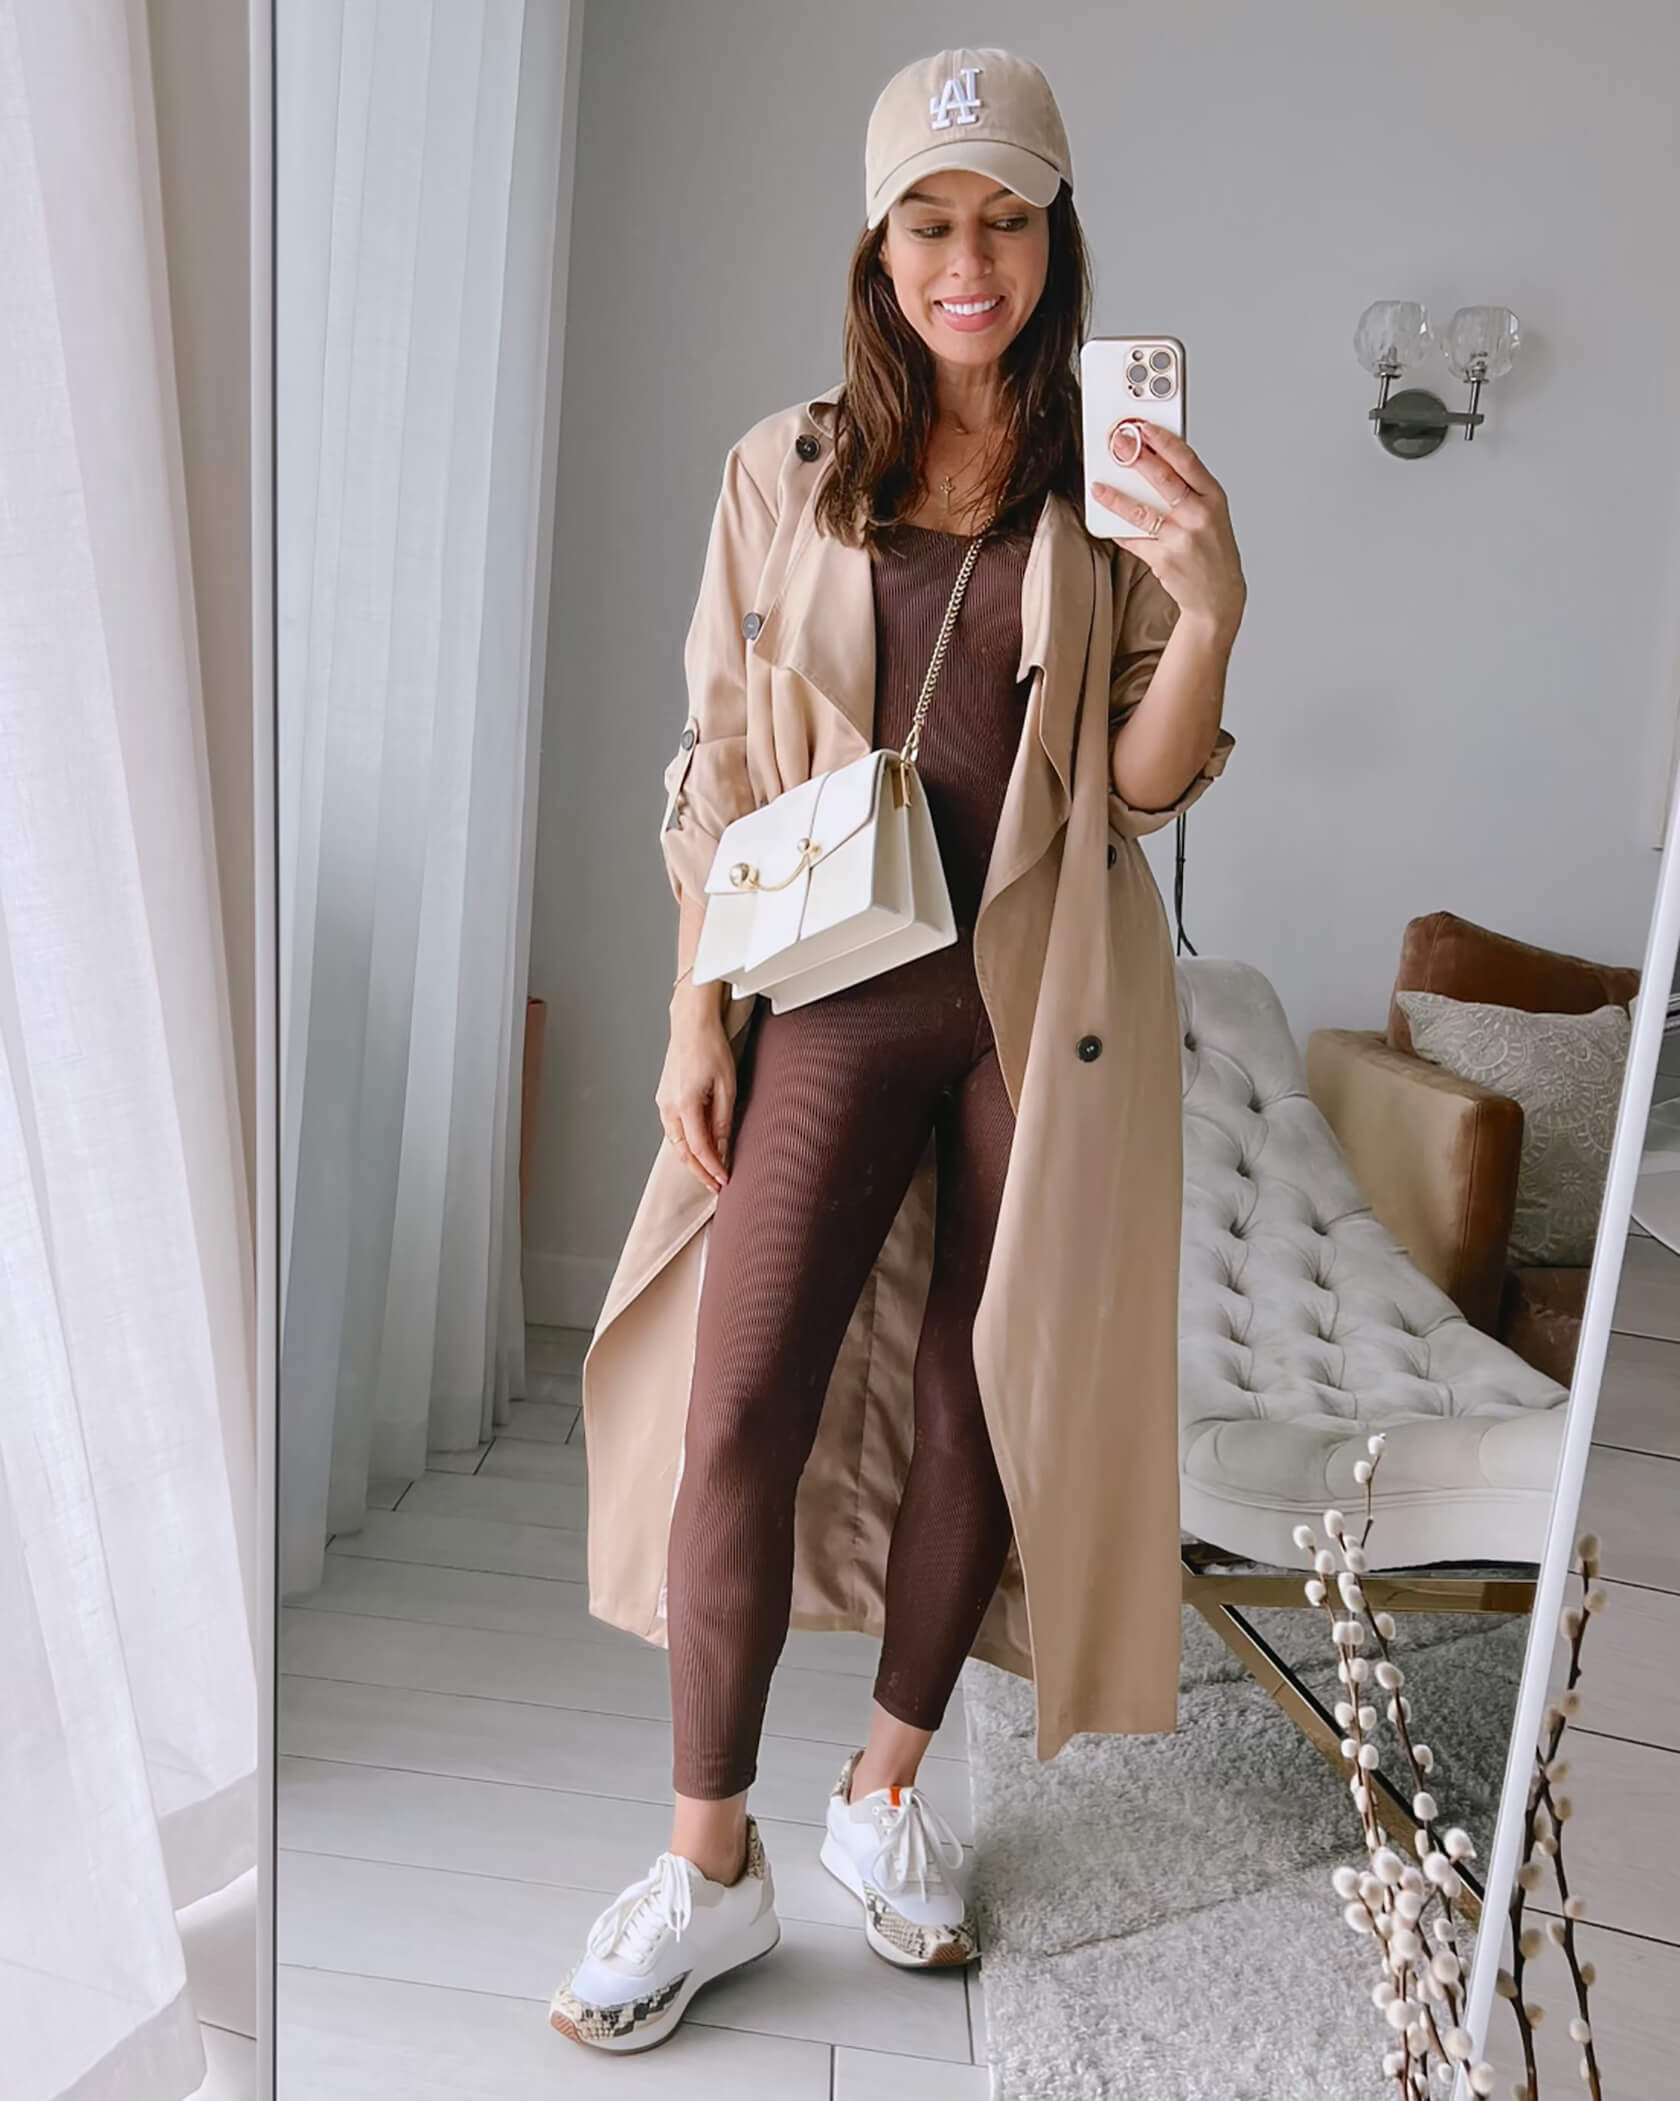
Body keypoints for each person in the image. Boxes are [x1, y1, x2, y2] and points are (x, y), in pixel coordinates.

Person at [550, 45, 1246, 2055]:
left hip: (1046, 1003)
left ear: (1055, 238)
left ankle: (883, 1787)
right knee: (737, 1407)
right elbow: (715, 762)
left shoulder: (1117, 480)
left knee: (983, 1398)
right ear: (878, 245)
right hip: (836, 985)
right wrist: (693, 1009)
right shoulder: (783, 469)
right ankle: (709, 1862)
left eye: (1008, 218)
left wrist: (1210, 606)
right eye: (932, 221)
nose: (971, 259)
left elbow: (1142, 783)